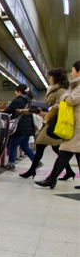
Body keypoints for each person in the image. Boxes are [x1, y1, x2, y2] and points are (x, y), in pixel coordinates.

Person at [20, 68, 72, 179]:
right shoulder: (53, 90)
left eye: (50, 77)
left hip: (53, 123)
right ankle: (69, 171)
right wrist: (32, 110)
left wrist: (45, 112)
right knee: (54, 148)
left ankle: (32, 170)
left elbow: (58, 108)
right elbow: (50, 106)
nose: (49, 79)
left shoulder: (60, 91)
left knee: (40, 145)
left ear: (55, 78)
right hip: (49, 122)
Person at [36, 61, 80, 189]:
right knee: (73, 152)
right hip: (76, 124)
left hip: (77, 126)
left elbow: (72, 100)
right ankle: (52, 178)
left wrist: (64, 96)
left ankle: (51, 179)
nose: (71, 74)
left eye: (72, 70)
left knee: (65, 151)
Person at [3, 84, 35, 171]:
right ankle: (36, 162)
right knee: (25, 146)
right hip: (28, 128)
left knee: (12, 146)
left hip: (19, 127)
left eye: (16, 91)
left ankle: (11, 165)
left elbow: (7, 111)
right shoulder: (30, 101)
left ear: (19, 92)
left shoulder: (18, 100)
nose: (15, 93)